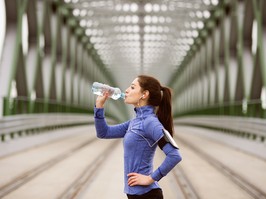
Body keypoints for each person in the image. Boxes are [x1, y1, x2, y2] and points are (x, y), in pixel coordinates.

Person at [94, 75, 182, 199]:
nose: (126, 90)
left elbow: (174, 155)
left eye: (132, 87)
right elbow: (104, 133)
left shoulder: (151, 123)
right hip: (134, 194)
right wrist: (99, 106)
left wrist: (151, 178)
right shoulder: (134, 123)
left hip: (147, 195)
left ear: (144, 94)